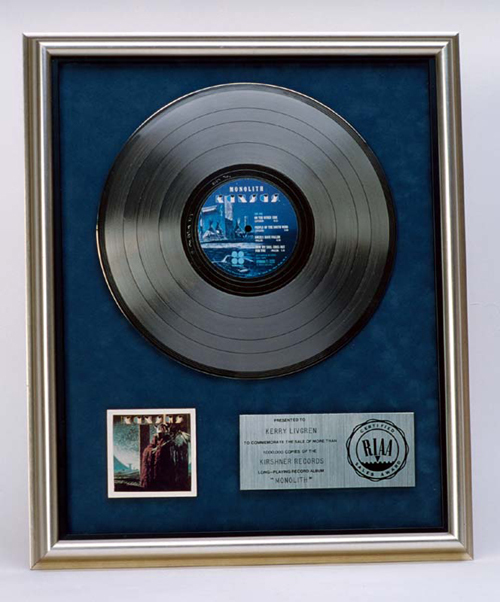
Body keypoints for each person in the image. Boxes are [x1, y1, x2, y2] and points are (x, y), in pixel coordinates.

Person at [140, 422, 175, 490]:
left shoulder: (167, 439)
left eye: (162, 430)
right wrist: (151, 450)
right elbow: (150, 446)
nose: (160, 434)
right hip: (155, 460)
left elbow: (165, 448)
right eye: (159, 431)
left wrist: (158, 449)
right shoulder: (155, 438)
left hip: (163, 461)